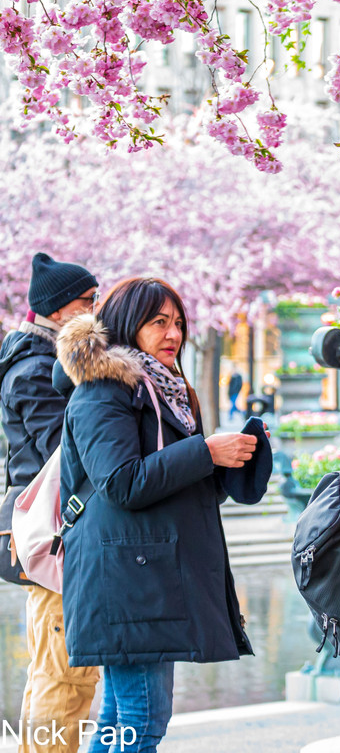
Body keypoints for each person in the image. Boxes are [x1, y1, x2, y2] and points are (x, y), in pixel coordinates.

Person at [55, 277, 271, 753]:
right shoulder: (103, 391)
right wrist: (205, 453)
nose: (173, 334)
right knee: (142, 721)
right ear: (130, 326)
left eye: (178, 323)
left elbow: (170, 488)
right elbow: (120, 482)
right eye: (159, 323)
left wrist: (229, 464)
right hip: (130, 582)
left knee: (122, 719)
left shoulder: (164, 390)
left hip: (146, 579)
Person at [0, 252, 100, 753]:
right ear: (59, 311)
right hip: (52, 537)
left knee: (64, 672)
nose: (96, 310)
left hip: (56, 534)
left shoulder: (41, 362)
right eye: (88, 300)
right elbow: (59, 452)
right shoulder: (36, 371)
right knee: (64, 675)